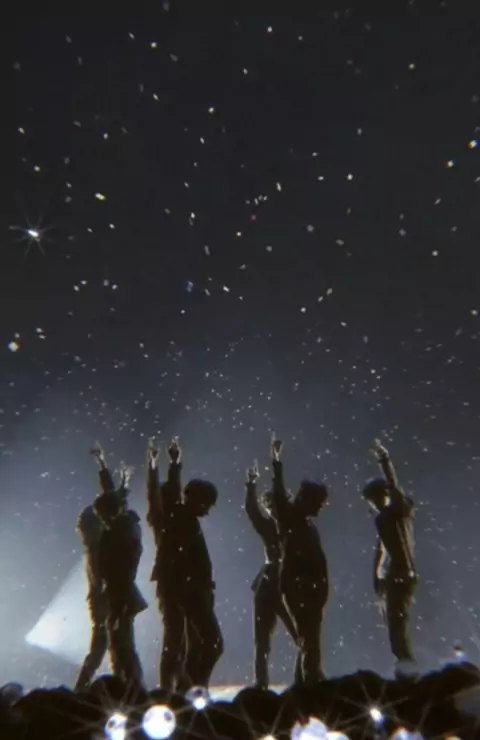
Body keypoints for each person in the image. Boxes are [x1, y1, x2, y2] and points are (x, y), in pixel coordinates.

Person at [148, 436, 223, 691]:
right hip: (183, 590)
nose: (208, 510)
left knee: (189, 644)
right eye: (206, 504)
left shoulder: (186, 519)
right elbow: (165, 494)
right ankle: (188, 689)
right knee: (196, 643)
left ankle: (187, 688)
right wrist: (170, 465)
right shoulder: (176, 516)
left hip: (190, 590)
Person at [270, 433, 329, 685]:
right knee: (309, 640)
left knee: (309, 639)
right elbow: (279, 495)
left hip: (311, 590)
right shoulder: (290, 517)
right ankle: (311, 684)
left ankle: (303, 683)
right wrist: (276, 462)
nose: (321, 507)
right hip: (300, 588)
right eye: (319, 502)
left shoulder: (306, 524)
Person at [74, 445, 132, 691]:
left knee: (109, 644)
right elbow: (112, 500)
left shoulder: (96, 542)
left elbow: (111, 498)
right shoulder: (99, 547)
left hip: (105, 599)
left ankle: (90, 685)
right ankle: (84, 687)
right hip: (105, 599)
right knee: (108, 643)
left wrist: (103, 466)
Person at [362, 439, 417, 671]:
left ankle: (407, 667)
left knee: (396, 623)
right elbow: (382, 548)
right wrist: (377, 576)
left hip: (399, 575)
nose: (373, 504)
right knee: (394, 623)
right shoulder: (387, 517)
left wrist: (384, 461)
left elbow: (394, 487)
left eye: (375, 498)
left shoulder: (396, 513)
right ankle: (404, 664)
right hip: (396, 576)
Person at [244, 460, 299, 688]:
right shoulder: (267, 526)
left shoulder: (292, 526)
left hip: (287, 582)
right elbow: (252, 511)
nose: (271, 509)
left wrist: (276, 467)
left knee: (299, 635)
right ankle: (261, 683)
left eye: (274, 504)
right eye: (268, 505)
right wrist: (251, 486)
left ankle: (304, 677)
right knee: (262, 639)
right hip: (268, 582)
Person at [94, 482, 147, 688]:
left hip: (120, 594)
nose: (101, 518)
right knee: (121, 642)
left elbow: (117, 565)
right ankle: (131, 684)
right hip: (120, 593)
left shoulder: (120, 532)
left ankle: (133, 685)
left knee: (122, 643)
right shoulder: (124, 528)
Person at [147, 438, 186, 691]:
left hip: (183, 580)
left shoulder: (180, 518)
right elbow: (154, 495)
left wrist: (173, 464)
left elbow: (172, 489)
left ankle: (177, 684)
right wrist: (155, 466)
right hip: (171, 581)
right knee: (173, 635)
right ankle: (166, 687)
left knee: (180, 637)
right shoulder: (160, 518)